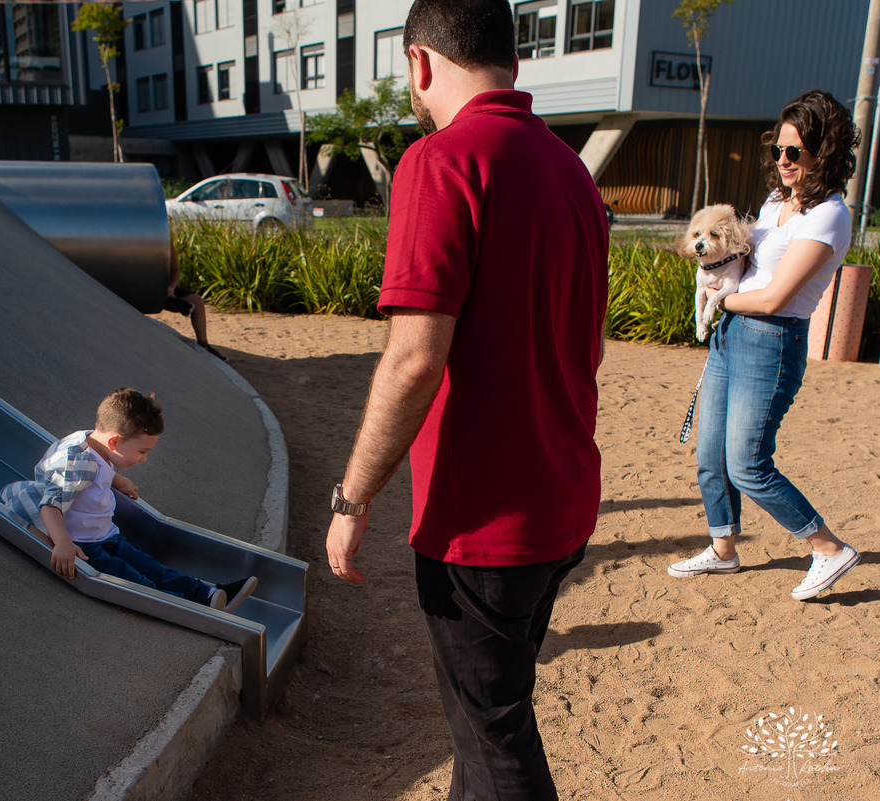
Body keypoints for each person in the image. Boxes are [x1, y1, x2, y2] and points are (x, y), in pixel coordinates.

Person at [323, 1, 608, 798]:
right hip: (562, 499)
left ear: (420, 63)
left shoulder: (442, 162)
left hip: (482, 523)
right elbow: (590, 344)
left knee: (492, 733)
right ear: (512, 60)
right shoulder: (571, 173)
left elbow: (414, 360)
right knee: (490, 717)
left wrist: (352, 496)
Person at [668, 89, 861, 600]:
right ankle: (723, 549)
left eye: (794, 152)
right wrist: (712, 265)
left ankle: (827, 547)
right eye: (779, 150)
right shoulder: (777, 201)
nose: (782, 161)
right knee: (710, 453)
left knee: (747, 463)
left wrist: (718, 302)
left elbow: (774, 297)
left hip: (770, 342)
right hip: (731, 335)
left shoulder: (829, 217)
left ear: (826, 151)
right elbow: (743, 263)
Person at [1, 387, 256, 612]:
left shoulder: (91, 441)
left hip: (106, 536)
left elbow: (96, 465)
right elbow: (50, 505)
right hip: (84, 547)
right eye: (142, 451)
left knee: (151, 567)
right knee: (133, 579)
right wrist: (63, 543)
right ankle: (188, 606)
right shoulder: (79, 464)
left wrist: (116, 479)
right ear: (114, 441)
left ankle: (207, 594)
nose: (144, 458)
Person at [163, 243, 227, 361]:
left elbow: (175, 270)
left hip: (165, 288)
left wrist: (171, 287)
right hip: (145, 287)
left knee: (197, 302)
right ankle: (178, 303)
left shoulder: (166, 242)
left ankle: (204, 344)